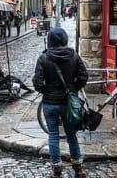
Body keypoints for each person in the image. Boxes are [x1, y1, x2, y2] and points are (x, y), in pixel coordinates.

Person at [32, 27, 88, 178]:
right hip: (68, 103)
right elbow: (84, 76)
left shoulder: (44, 58)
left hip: (50, 103)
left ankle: (56, 169)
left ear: (50, 40)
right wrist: (73, 89)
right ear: (64, 39)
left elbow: (36, 82)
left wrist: (46, 91)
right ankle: (77, 166)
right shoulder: (74, 56)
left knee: (53, 135)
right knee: (71, 135)